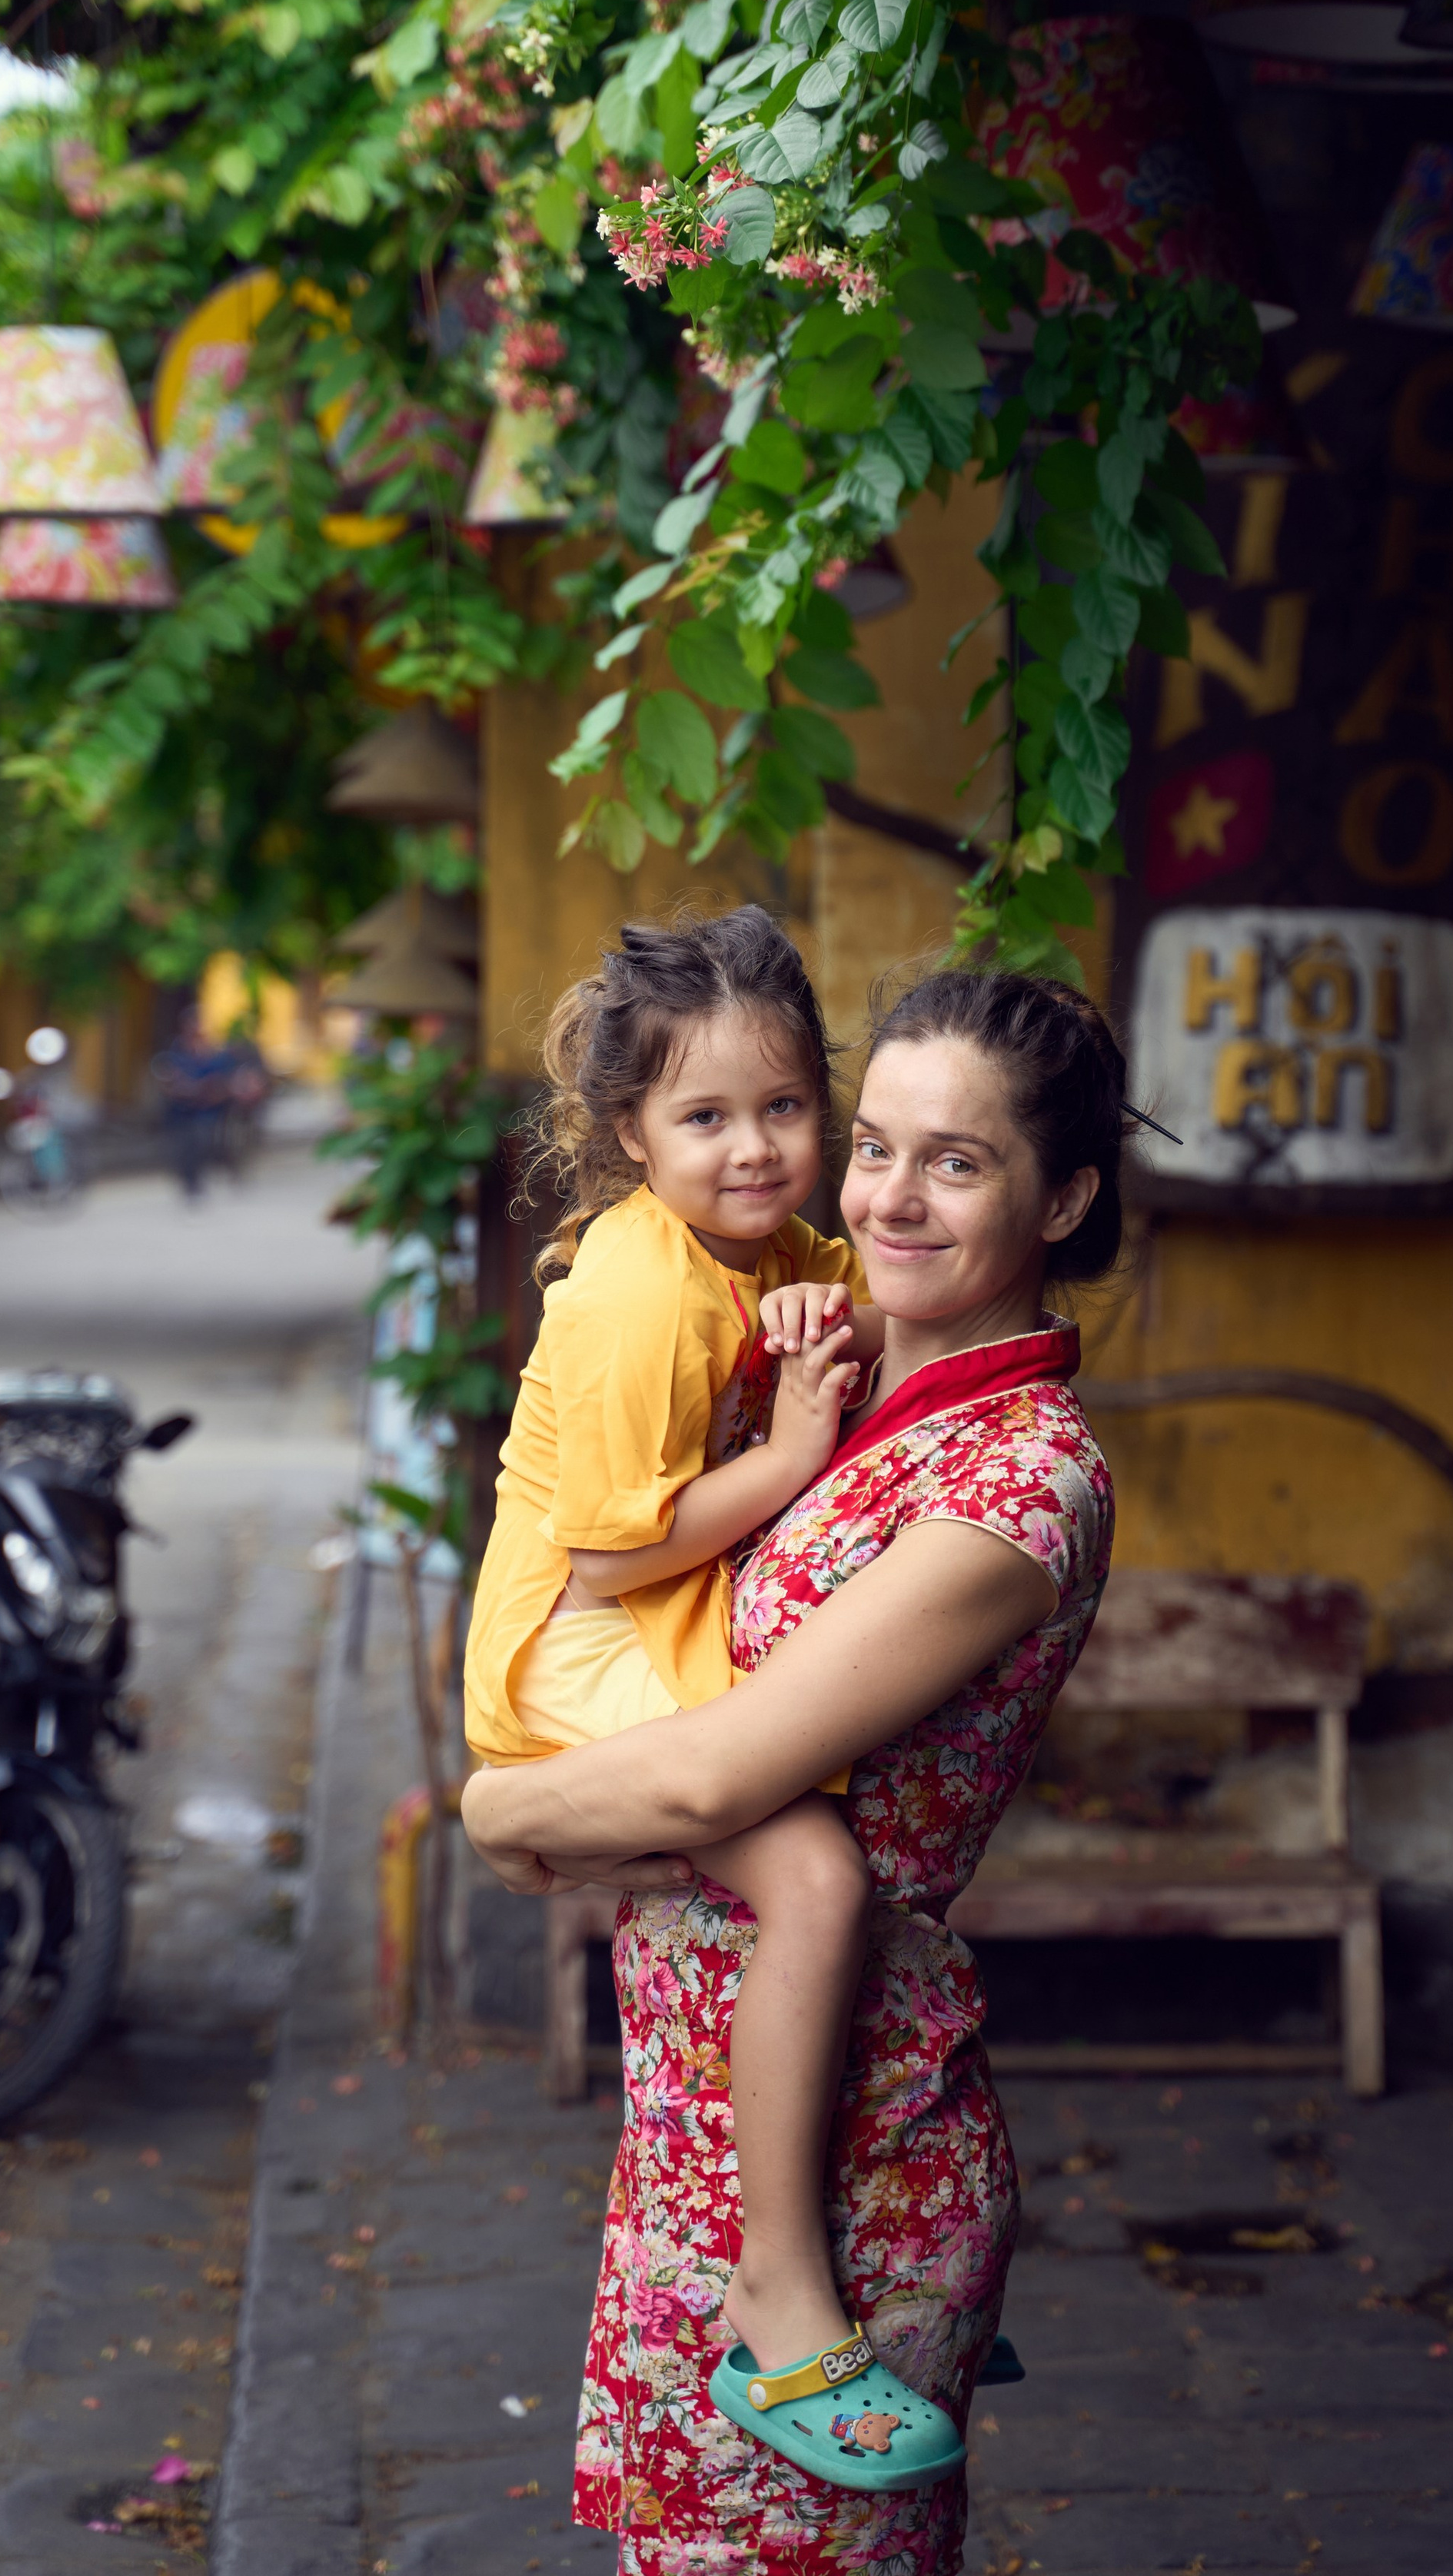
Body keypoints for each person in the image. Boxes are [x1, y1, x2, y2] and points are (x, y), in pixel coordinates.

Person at [462, 964, 1125, 2573]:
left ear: (1063, 1198)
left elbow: (709, 1785)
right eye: (876, 1145)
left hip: (844, 2175)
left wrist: (501, 1809)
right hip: (695, 2138)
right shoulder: (846, 1373)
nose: (887, 1196)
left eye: (956, 1161)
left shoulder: (1017, 1482)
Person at [463, 907, 952, 2488]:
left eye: (784, 1107)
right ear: (631, 1133)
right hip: (579, 1633)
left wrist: (837, 1317)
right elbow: (609, 1556)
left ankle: (890, 2256)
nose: (753, 1150)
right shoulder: (638, 1295)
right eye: (704, 1118)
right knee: (814, 1876)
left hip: (663, 1604)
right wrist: (796, 1452)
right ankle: (781, 2294)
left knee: (848, 1837)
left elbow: (881, 1312)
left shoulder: (771, 1251)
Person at [155, 1006, 236, 1201]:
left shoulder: (211, 1052)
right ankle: (188, 1181)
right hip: (180, 1110)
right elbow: (167, 1078)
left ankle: (197, 1181)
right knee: (184, 1147)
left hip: (205, 1110)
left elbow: (222, 1077)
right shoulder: (175, 1051)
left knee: (202, 1143)